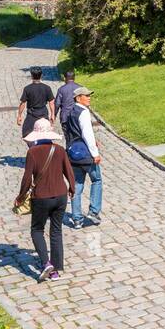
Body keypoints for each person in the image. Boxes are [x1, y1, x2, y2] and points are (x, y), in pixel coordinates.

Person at [15, 117, 75, 283]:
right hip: (61, 196)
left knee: (37, 229)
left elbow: (27, 178)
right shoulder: (60, 150)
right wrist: (72, 188)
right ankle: (55, 270)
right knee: (56, 231)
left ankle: (46, 263)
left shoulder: (32, 152)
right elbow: (68, 171)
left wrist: (20, 197)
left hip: (41, 197)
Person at [65, 85, 103, 228]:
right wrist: (95, 153)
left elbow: (72, 132)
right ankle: (93, 211)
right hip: (86, 155)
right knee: (97, 180)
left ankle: (77, 219)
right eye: (86, 96)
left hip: (73, 154)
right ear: (78, 98)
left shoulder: (71, 111)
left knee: (76, 186)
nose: (89, 98)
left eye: (89, 95)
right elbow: (86, 133)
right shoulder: (84, 112)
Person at [17, 67, 55, 140]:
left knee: (26, 135)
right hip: (43, 114)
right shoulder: (47, 88)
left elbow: (23, 103)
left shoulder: (27, 88)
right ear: (41, 76)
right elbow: (51, 102)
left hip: (32, 115)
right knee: (45, 134)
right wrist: (52, 114)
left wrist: (19, 116)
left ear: (31, 76)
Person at [54, 68, 80, 136]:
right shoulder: (80, 88)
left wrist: (54, 115)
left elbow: (57, 104)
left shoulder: (61, 89)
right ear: (74, 77)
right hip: (78, 117)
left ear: (65, 78)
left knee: (68, 137)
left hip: (65, 117)